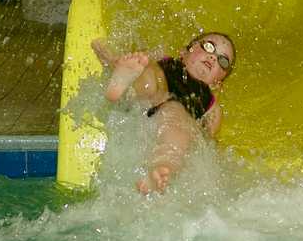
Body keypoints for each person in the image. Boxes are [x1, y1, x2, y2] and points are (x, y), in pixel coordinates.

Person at [92, 32, 236, 194]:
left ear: (218, 83)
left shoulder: (212, 106)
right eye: (208, 47)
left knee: (178, 121)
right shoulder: (166, 62)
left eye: (222, 61)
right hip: (148, 99)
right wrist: (106, 53)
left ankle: (161, 169)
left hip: (170, 118)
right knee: (147, 68)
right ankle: (119, 76)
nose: (213, 58)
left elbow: (207, 143)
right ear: (184, 52)